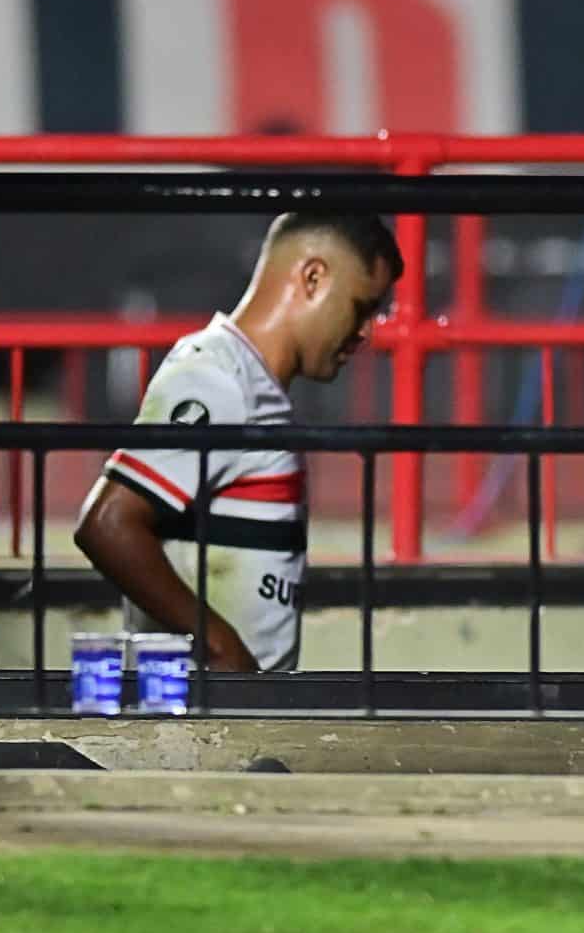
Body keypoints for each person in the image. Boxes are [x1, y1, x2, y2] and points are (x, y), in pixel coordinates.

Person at [76, 212, 401, 671]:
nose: (367, 332)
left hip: (229, 718)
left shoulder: (244, 381)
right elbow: (107, 524)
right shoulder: (219, 379)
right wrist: (223, 649)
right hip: (204, 722)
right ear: (312, 278)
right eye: (362, 308)